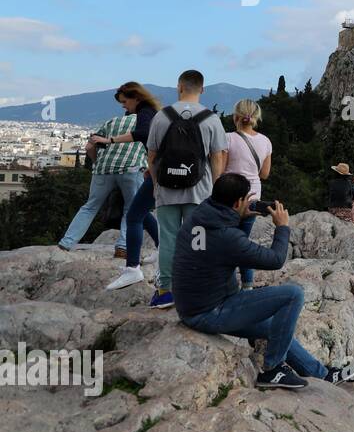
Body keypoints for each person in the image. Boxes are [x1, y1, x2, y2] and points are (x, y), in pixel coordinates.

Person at [172, 173, 354, 390]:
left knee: (274, 328)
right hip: (210, 311)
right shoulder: (226, 237)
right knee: (292, 295)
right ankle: (273, 369)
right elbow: (275, 260)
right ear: (238, 202)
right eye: (244, 200)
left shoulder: (199, 216)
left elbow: (219, 248)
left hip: (193, 306)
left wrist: (240, 216)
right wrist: (282, 227)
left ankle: (321, 375)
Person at [145, 70, 228, 310]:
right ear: (202, 89)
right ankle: (196, 288)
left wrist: (156, 183)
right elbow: (217, 157)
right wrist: (213, 187)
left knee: (168, 239)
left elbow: (151, 155)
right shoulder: (211, 119)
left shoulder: (162, 116)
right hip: (200, 192)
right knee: (198, 241)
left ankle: (165, 292)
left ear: (179, 87)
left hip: (166, 190)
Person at [58, 96, 149, 256]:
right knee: (131, 209)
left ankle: (67, 242)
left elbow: (89, 147)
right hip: (132, 168)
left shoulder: (111, 122)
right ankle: (122, 248)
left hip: (103, 170)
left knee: (90, 206)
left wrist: (97, 163)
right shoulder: (146, 123)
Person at [104, 83, 164, 289]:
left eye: (124, 102)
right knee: (142, 211)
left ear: (136, 98)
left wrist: (110, 140)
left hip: (160, 170)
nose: (123, 106)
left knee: (133, 216)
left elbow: (142, 133)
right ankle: (161, 248)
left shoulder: (145, 112)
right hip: (161, 168)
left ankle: (133, 268)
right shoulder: (154, 111)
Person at [224, 99, 273, 290]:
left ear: (236, 117)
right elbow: (265, 174)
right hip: (253, 197)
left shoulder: (228, 138)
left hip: (229, 196)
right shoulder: (265, 141)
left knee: (226, 241)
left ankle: (225, 284)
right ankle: (248, 284)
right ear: (255, 118)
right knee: (242, 241)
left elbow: (220, 170)